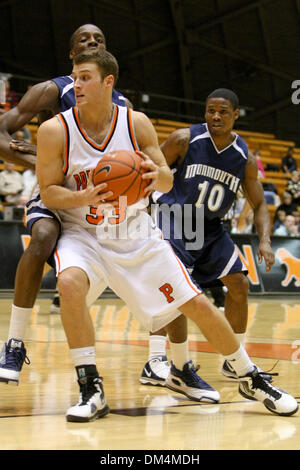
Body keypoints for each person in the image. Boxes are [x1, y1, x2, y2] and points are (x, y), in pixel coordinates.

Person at [30, 50, 297, 422]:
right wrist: (84, 196)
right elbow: (47, 192)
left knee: (197, 302)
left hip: (134, 229)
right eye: (74, 76)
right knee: (70, 283)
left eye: (85, 77)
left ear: (109, 82)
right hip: (84, 232)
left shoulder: (135, 123)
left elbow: (168, 179)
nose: (76, 83)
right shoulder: (54, 129)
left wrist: (152, 177)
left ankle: (249, 375)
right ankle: (90, 386)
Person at [0, 24, 130, 378]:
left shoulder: (124, 105)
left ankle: (163, 358)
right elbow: (1, 132)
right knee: (42, 236)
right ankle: (13, 344)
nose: (92, 42)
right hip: (56, 193)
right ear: (72, 56)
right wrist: (43, 165)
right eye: (84, 40)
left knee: (150, 260)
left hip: (97, 203)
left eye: (99, 39)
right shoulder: (51, 90)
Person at [141, 88, 276, 388]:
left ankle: (234, 360)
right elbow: (149, 173)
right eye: (211, 110)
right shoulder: (183, 139)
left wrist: (264, 240)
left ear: (235, 115)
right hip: (175, 219)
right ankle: (157, 361)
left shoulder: (244, 157)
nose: (215, 116)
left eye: (223, 111)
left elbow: (260, 204)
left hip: (211, 228)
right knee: (178, 288)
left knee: (239, 284)